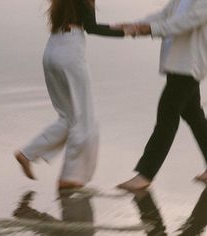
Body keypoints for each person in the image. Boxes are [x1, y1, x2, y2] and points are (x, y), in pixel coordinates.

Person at [15, 0, 126, 189]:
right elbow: (91, 27)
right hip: (70, 52)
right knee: (85, 121)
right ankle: (70, 177)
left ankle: (27, 153)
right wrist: (125, 31)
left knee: (69, 118)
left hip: (52, 50)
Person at [116, 0, 207, 191]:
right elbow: (164, 15)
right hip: (178, 64)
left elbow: (184, 22)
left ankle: (145, 174)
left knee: (167, 115)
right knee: (193, 114)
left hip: (190, 65)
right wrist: (135, 25)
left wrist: (147, 29)